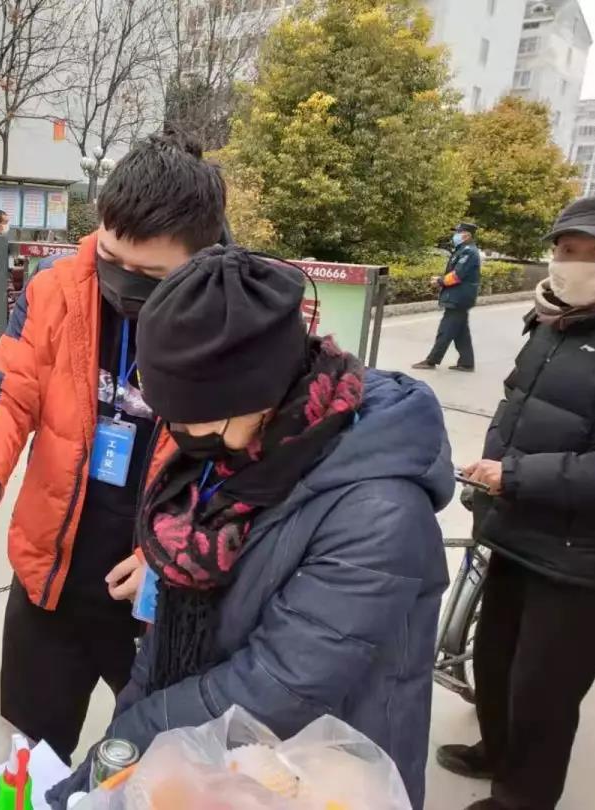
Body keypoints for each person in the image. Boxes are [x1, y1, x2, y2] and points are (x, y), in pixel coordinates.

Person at [47, 246, 454, 810]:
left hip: (321, 774)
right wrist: (125, 735)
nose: (182, 432)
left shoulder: (378, 512)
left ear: (260, 394)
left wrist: (134, 737)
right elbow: (169, 619)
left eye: (194, 415)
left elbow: (276, 687)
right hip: (224, 757)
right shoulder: (231, 451)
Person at [0, 132, 227, 762]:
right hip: (51, 581)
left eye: (150, 276)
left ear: (199, 257)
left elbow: (247, 464)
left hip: (157, 599)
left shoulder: (231, 319)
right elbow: (6, 389)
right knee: (26, 759)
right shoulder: (55, 289)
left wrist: (173, 552)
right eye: (112, 258)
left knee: (156, 769)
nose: (123, 283)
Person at [436, 197, 595, 810]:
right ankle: (498, 750)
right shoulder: (551, 321)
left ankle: (523, 798)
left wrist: (516, 475)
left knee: (544, 689)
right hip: (516, 529)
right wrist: (492, 479)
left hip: (580, 557)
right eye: (567, 249)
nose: (575, 264)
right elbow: (516, 408)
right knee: (496, 660)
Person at [414, 222, 482, 372]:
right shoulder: (462, 250)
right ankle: (466, 363)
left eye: (458, 232)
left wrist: (440, 281)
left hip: (459, 298)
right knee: (461, 332)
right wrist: (441, 279)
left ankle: (431, 361)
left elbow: (457, 275)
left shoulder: (469, 252)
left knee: (445, 330)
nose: (455, 235)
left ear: (466, 235)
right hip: (459, 296)